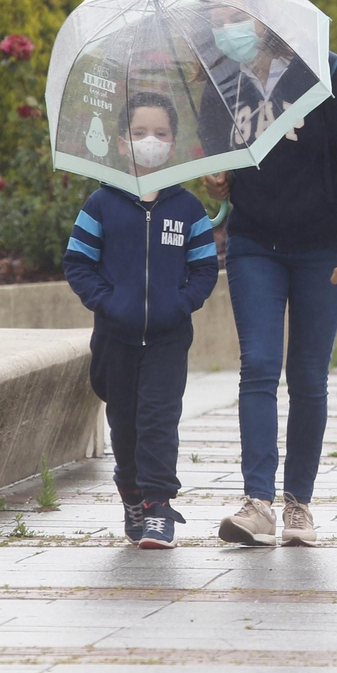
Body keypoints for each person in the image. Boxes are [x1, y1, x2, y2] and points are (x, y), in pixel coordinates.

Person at [200, 20, 337, 548]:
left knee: (307, 375)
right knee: (257, 365)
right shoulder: (221, 82)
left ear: (270, 21)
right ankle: (257, 502)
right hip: (255, 244)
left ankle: (298, 503)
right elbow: (217, 156)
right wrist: (217, 177)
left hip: (323, 251)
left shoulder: (323, 73)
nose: (232, 29)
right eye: (223, 19)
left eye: (242, 18)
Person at [64, 91, 221, 550]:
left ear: (173, 143)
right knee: (126, 422)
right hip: (115, 339)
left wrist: (181, 304)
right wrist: (107, 303)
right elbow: (78, 263)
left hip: (169, 340)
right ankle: (130, 490)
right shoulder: (101, 205)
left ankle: (157, 506)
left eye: (160, 133)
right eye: (139, 133)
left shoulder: (187, 208)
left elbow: (206, 268)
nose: (150, 141)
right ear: (120, 141)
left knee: (158, 420)